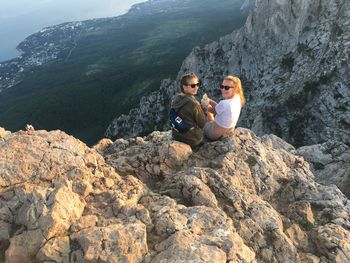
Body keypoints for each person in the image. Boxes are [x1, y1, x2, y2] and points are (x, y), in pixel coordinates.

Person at [203, 75, 245, 140]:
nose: (223, 89)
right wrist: (210, 101)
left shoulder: (224, 103)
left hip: (214, 134)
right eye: (222, 87)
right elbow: (219, 108)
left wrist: (205, 105)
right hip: (228, 132)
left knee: (207, 113)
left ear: (235, 89)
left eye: (227, 88)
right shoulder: (238, 98)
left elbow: (213, 111)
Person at [171, 72, 206, 147]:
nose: (196, 87)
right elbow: (202, 123)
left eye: (197, 84)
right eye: (193, 86)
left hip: (176, 135)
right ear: (184, 87)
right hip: (192, 139)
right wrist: (204, 109)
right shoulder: (194, 104)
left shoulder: (176, 99)